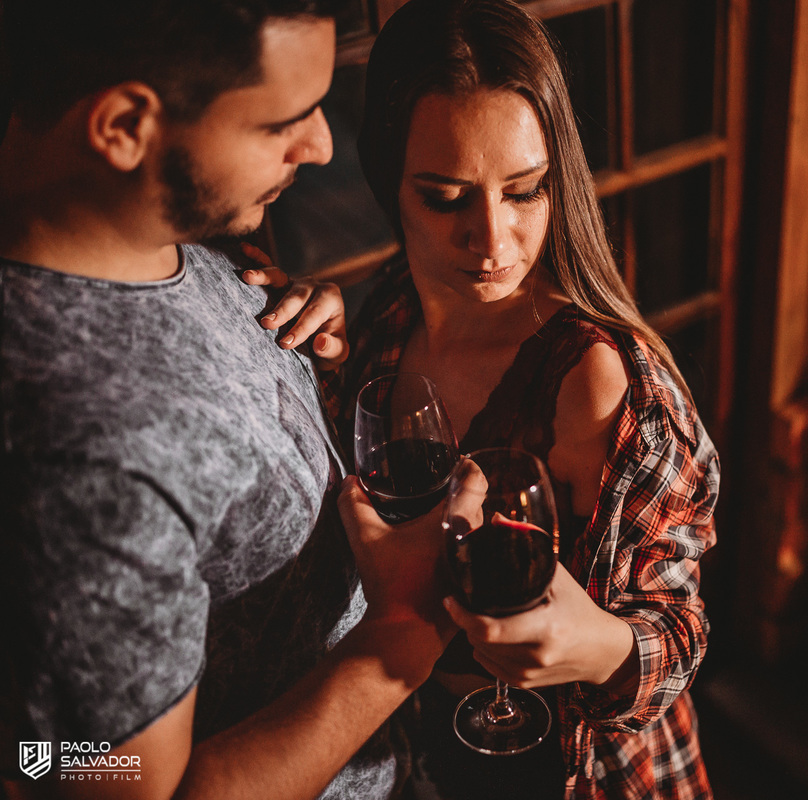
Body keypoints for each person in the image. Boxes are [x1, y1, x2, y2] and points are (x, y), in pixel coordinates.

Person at [0, 2, 452, 798]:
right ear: (123, 126)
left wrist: (293, 353)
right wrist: (400, 637)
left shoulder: (149, 224)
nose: (320, 146)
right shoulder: (82, 454)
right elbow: (102, 780)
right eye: (283, 121)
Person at [329, 1, 720, 797]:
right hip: (416, 752)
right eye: (445, 198)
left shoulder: (602, 384)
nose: (494, 241)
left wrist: (599, 648)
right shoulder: (387, 319)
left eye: (525, 191)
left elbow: (679, 637)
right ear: (387, 179)